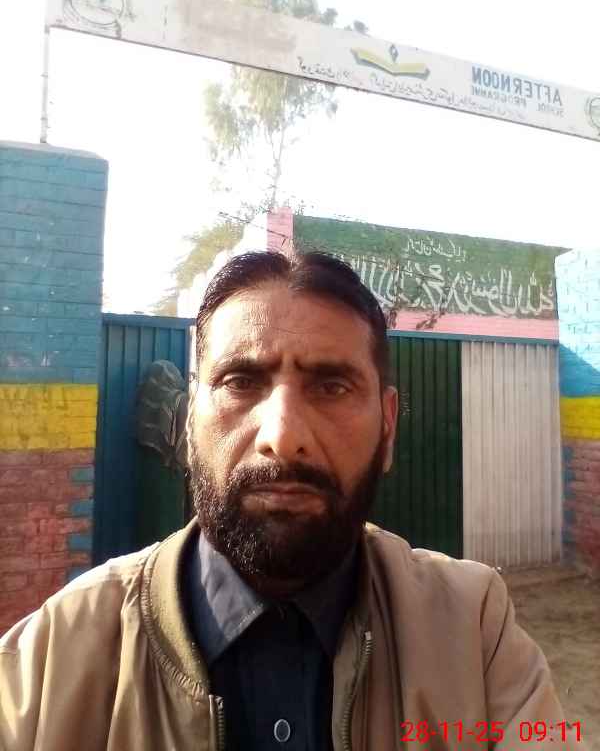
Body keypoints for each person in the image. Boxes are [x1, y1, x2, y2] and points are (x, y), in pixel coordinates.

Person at [0, 251, 581, 750]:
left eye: (331, 386)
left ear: (388, 426)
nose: (283, 435)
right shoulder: (52, 658)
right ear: (191, 421)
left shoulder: (474, 630)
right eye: (240, 382)